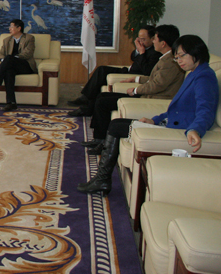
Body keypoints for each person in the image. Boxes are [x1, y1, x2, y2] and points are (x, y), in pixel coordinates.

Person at [78, 34, 219, 195]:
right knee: (116, 124)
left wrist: (196, 129)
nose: (179, 60)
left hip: (180, 129)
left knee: (117, 126)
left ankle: (102, 179)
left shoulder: (204, 77)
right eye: (176, 57)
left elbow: (205, 109)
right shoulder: (194, 73)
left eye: (181, 56)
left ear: (196, 53)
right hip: (170, 122)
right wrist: (154, 120)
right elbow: (175, 109)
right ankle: (102, 179)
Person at [80, 25, 185, 154]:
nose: (153, 41)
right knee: (102, 97)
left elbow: (157, 85)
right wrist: (136, 79)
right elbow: (154, 78)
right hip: (149, 94)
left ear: (163, 43)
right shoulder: (166, 58)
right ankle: (99, 138)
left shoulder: (170, 62)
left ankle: (101, 141)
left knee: (103, 102)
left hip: (154, 98)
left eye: (155, 39)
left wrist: (136, 90)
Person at [68, 25, 159, 109]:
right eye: (139, 38)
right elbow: (133, 57)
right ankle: (86, 99)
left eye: (143, 39)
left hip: (133, 74)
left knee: (102, 72)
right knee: (101, 70)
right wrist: (138, 50)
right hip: (128, 69)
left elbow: (147, 70)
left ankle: (86, 101)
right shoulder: (143, 47)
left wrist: (142, 53)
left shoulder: (155, 52)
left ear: (152, 39)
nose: (140, 41)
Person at [0, 19, 37, 111]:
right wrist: (5, 60)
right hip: (11, 65)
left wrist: (12, 59)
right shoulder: (7, 40)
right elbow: (0, 54)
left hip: (25, 65)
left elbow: (28, 54)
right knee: (8, 71)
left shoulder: (29, 38)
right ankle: (11, 103)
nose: (9, 28)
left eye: (12, 26)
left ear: (19, 28)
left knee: (9, 58)